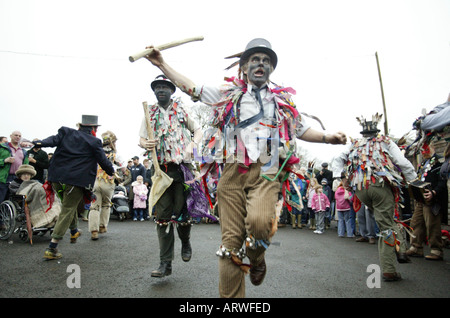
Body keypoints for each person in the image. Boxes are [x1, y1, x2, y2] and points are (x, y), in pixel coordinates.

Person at [143, 38, 347, 297]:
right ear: (244, 67)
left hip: (267, 170)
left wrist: (328, 137)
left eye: (266, 60)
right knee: (230, 246)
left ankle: (257, 256)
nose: (260, 64)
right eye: (255, 60)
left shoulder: (281, 101)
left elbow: (302, 128)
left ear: (271, 69)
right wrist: (162, 63)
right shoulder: (226, 95)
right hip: (231, 172)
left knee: (261, 223)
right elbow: (192, 88)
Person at [333, 114, 417, 282]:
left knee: (385, 218)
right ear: (376, 130)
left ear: (363, 132)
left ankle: (401, 249)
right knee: (386, 225)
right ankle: (389, 269)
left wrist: (341, 178)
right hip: (379, 186)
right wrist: (415, 181)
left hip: (361, 190)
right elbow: (402, 162)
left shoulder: (355, 143)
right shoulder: (385, 141)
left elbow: (337, 159)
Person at [139, 75, 203, 278]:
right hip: (161, 171)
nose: (161, 90)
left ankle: (185, 241)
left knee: (182, 213)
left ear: (172, 91)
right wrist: (144, 144)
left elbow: (198, 130)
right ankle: (165, 263)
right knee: (163, 217)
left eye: (165, 87)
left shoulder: (182, 110)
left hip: (182, 170)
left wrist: (193, 144)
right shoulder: (149, 113)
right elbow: (141, 138)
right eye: (157, 87)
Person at [33, 115, 114, 260]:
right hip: (75, 181)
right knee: (68, 209)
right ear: (94, 128)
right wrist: (112, 172)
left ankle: (74, 230)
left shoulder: (66, 132)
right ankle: (52, 247)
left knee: (68, 205)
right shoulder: (95, 141)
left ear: (80, 126)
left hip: (56, 179)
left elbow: (52, 140)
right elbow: (103, 160)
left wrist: (39, 143)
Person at [406, 142, 447, 260]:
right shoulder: (424, 162)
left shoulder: (439, 162)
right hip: (421, 198)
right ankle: (416, 247)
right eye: (422, 150)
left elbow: (442, 182)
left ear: (432, 147)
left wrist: (434, 192)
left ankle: (436, 250)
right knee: (416, 222)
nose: (423, 153)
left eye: (425, 149)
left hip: (433, 199)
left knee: (432, 224)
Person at [89, 130, 122, 240]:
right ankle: (102, 226)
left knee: (94, 206)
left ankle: (94, 230)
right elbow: (122, 167)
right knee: (106, 204)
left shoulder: (95, 152)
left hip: (95, 180)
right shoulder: (115, 154)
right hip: (108, 182)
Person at [10, 164, 60, 228]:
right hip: (27, 200)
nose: (26, 176)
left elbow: (40, 188)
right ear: (20, 175)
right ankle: (44, 221)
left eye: (28, 174)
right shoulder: (15, 183)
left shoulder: (34, 182)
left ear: (31, 176)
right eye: (24, 174)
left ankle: (52, 217)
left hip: (39, 197)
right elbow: (18, 193)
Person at [0, 131, 31, 202]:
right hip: (3, 178)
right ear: (11, 136)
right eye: (16, 135)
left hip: (17, 178)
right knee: (1, 199)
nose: (18, 137)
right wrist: (4, 160)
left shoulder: (24, 151)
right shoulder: (2, 147)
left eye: (19, 136)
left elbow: (26, 165)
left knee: (15, 200)